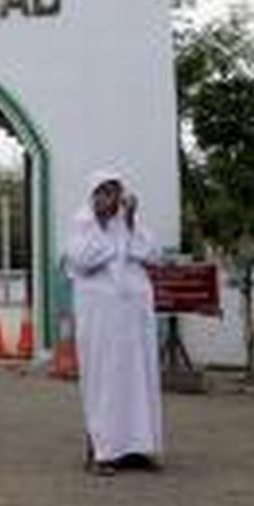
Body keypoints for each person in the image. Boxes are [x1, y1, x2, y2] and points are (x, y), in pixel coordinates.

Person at [65, 170, 163, 475]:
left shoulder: (129, 224)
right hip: (101, 322)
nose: (110, 198)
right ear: (93, 195)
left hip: (133, 321)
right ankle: (101, 452)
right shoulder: (82, 225)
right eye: (103, 192)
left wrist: (130, 223)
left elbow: (153, 254)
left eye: (114, 192)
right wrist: (108, 231)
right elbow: (81, 259)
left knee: (138, 381)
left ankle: (136, 449)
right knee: (104, 383)